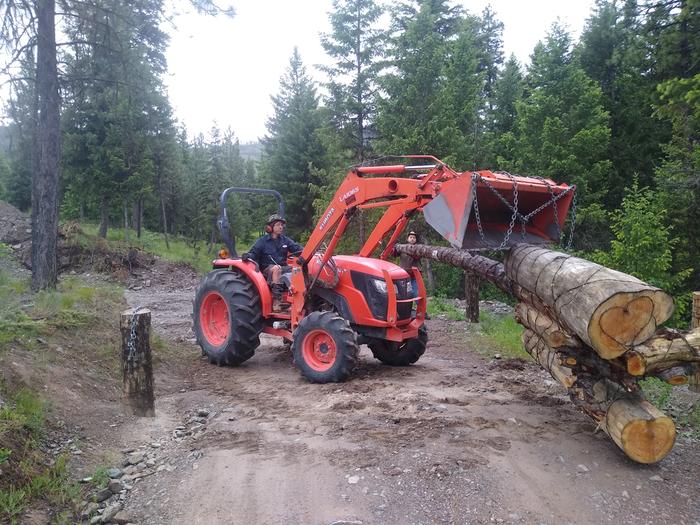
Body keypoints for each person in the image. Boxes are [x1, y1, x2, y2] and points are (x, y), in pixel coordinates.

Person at [243, 214, 303, 310]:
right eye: (278, 225)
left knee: (299, 269)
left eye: (282, 225)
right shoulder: (262, 242)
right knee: (276, 269)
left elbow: (297, 249)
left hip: (283, 267)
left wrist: (307, 251)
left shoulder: (285, 240)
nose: (281, 227)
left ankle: (298, 300)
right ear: (270, 227)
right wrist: (248, 256)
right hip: (268, 270)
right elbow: (253, 254)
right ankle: (277, 302)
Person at [396, 231, 421, 298]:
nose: (412, 238)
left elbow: (417, 256)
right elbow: (394, 254)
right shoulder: (401, 248)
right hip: (403, 276)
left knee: (415, 293)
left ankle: (420, 307)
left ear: (416, 239)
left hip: (414, 276)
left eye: (414, 237)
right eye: (410, 237)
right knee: (403, 294)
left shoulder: (419, 249)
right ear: (407, 239)